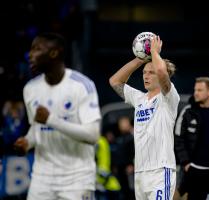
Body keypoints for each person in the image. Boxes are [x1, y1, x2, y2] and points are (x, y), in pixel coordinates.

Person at [14, 32, 101, 200]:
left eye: (37, 49)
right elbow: (37, 128)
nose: (30, 54)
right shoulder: (30, 89)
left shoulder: (82, 85)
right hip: (42, 177)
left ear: (54, 53)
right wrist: (27, 142)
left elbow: (92, 135)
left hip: (77, 178)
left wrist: (51, 119)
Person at [109, 35, 180, 200]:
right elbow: (114, 81)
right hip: (140, 172)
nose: (145, 76)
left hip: (161, 171)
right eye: (144, 73)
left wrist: (155, 52)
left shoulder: (168, 98)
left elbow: (162, 71)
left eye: (151, 73)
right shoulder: (139, 98)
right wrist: (140, 59)